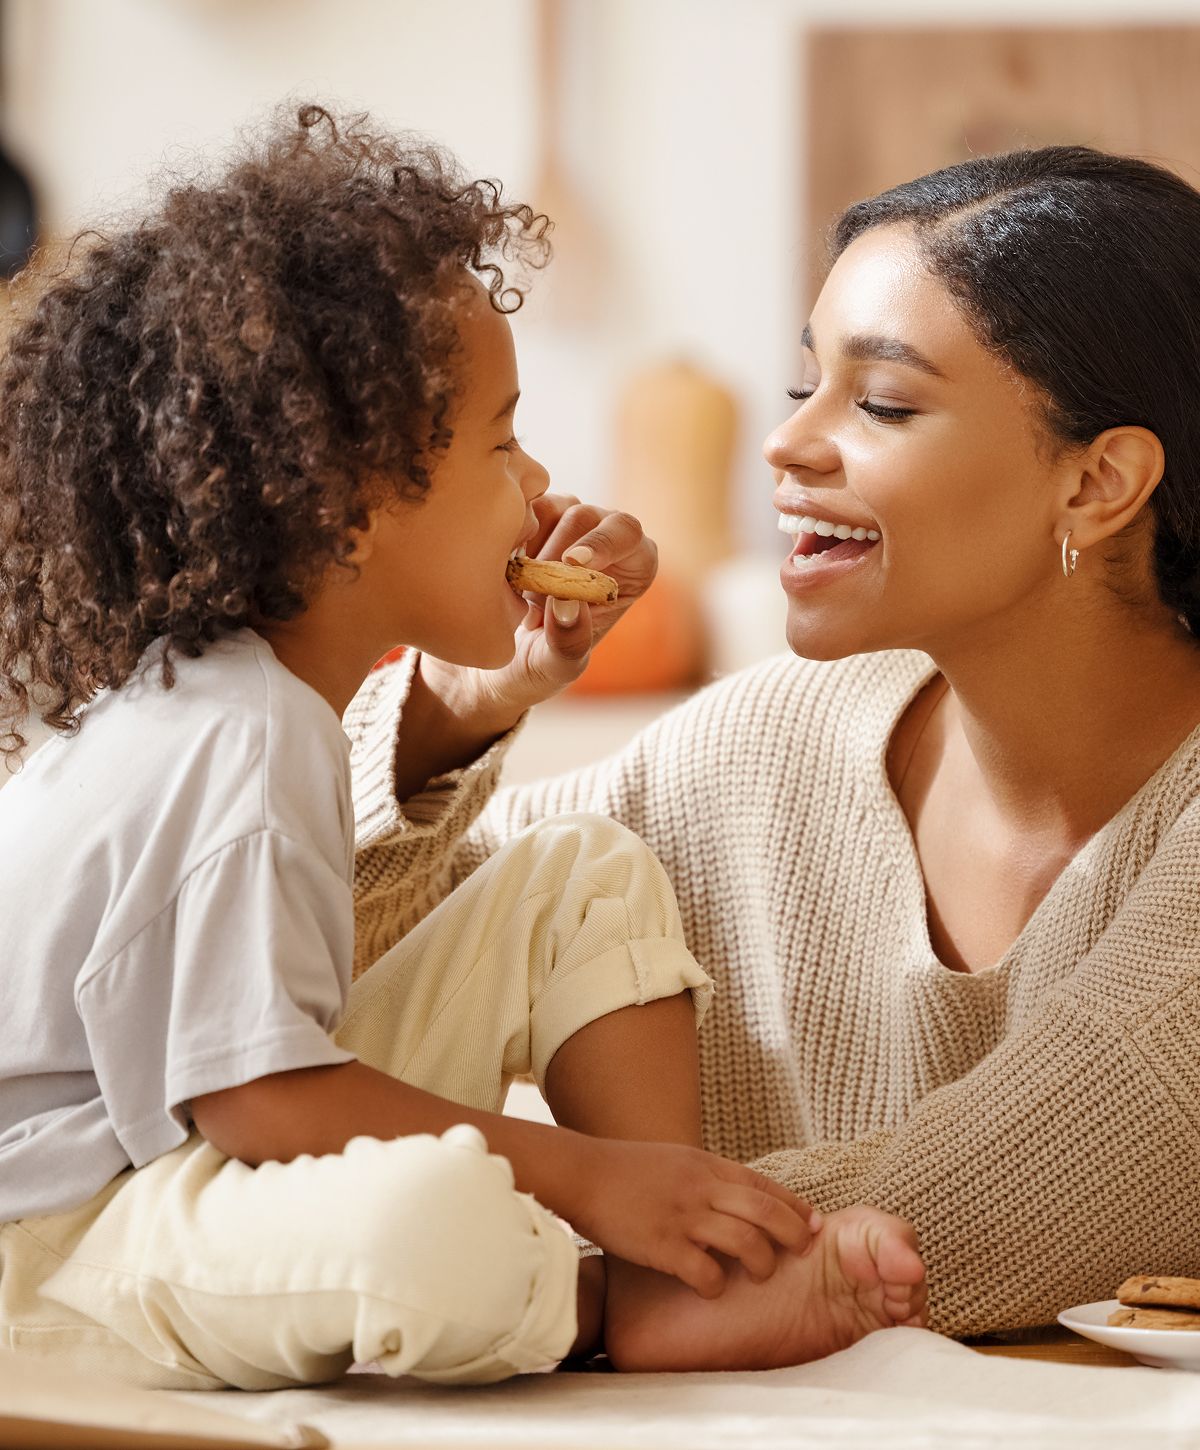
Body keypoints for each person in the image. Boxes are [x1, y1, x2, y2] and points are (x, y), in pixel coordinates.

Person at [0, 104, 928, 1391]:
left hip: (187, 1157)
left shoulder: (257, 705)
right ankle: (608, 1292)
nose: (538, 475)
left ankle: (669, 1289)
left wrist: (514, 674)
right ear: (346, 510)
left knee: (578, 873)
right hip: (60, 1243)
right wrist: (596, 1180)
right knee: (431, 1229)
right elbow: (261, 1106)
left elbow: (273, 1077)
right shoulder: (239, 732)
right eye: (500, 442)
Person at [347, 143, 1200, 1339]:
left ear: (1099, 481)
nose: (787, 446)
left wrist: (426, 1249)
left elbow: (976, 1211)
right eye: (807, 385)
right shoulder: (765, 746)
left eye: (885, 402)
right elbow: (297, 976)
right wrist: (460, 705)